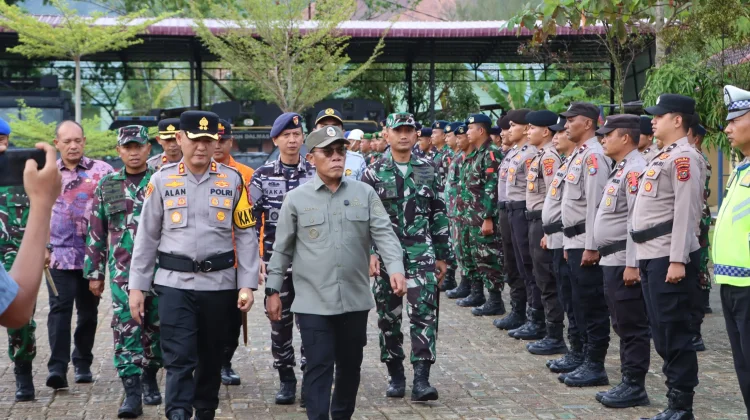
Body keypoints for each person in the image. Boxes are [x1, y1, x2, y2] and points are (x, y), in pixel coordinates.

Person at [265, 125, 407, 420]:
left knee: (350, 366)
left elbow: (384, 234)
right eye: (328, 152)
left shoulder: (364, 193)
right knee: (318, 366)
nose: (336, 157)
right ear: (311, 158)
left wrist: (395, 268)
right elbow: (282, 249)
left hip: (354, 299)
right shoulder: (297, 199)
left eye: (340, 151)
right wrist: (272, 290)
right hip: (313, 301)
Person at [128, 111, 260, 420]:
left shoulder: (232, 180)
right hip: (174, 284)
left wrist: (247, 284)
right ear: (179, 139)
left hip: (219, 284)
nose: (201, 147)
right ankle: (177, 412)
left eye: (208, 140)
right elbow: (146, 236)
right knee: (178, 356)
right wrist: (137, 287)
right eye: (195, 139)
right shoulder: (161, 180)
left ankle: (204, 411)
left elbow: (246, 234)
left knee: (211, 355)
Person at [362, 113, 451, 402]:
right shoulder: (373, 172)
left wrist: (443, 255)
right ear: (386, 134)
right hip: (386, 254)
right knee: (388, 316)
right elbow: (364, 219)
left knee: (424, 313)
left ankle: (422, 379)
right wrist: (370, 253)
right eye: (397, 130)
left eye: (408, 130)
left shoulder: (429, 169)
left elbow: (438, 212)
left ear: (415, 135)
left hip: (421, 251)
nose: (403, 135)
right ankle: (396, 374)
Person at [632, 94, 702, 420]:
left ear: (677, 120)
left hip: (667, 257)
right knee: (661, 331)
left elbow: (687, 213)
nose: (653, 120)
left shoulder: (684, 158)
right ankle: (673, 401)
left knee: (674, 332)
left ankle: (681, 405)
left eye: (659, 116)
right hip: (651, 254)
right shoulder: (662, 155)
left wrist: (677, 259)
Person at [84, 125, 162, 418]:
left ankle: (150, 375)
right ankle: (132, 393)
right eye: (127, 147)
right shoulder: (107, 185)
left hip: (160, 270)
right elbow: (96, 230)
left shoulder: (161, 181)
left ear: (148, 148)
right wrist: (95, 273)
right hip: (122, 274)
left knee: (157, 327)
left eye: (138, 146)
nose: (133, 152)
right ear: (119, 151)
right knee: (126, 327)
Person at [251, 112, 315, 405]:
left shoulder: (314, 172)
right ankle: (286, 379)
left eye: (296, 135)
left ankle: (311, 378)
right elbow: (251, 222)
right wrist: (255, 258)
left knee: (312, 324)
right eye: (286, 135)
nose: (292, 140)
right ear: (275, 140)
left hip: (312, 264)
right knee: (279, 323)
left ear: (303, 138)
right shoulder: (262, 176)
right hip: (277, 263)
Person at [46, 120, 115, 389]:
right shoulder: (47, 172)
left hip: (92, 256)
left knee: (88, 313)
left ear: (84, 141)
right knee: (59, 311)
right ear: (57, 144)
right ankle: (57, 368)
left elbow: (115, 212)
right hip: (58, 256)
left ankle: (83, 361)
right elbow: (38, 212)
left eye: (77, 140)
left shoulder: (103, 171)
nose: (73, 146)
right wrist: (41, 247)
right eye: (67, 142)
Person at [591, 115, 650, 409]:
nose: (603, 139)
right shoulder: (621, 168)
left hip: (622, 259)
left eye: (608, 134)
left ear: (625, 138)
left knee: (631, 325)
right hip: (611, 259)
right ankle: (628, 381)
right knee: (622, 323)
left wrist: (632, 263)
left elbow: (634, 220)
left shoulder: (635, 169)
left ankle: (635, 386)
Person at [0, 127, 60, 402]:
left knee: (21, 321)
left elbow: (39, 215)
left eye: (2, 140)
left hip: (19, 254)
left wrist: (45, 247)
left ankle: (22, 371)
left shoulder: (24, 174)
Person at [558, 102, 613, 388]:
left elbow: (596, 205)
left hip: (586, 242)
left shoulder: (594, 156)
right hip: (574, 240)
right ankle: (581, 356)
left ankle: (595, 364)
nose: (566, 125)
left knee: (592, 306)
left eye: (571, 120)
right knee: (578, 303)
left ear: (588, 123)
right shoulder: (579, 154)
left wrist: (592, 245)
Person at [715, 84, 750, 416]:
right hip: (732, 283)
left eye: (735, 120)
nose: (727, 128)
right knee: (744, 367)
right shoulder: (742, 170)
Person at [213, 119, 256, 386]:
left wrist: (255, 261)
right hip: (209, 259)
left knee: (233, 318)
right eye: (213, 140)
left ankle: (224, 362)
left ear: (231, 142)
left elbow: (254, 222)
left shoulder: (245, 174)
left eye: (223, 140)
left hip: (237, 259)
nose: (218, 145)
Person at [542, 119, 585, 373]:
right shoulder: (568, 162)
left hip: (574, 239)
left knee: (577, 300)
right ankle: (575, 350)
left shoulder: (587, 159)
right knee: (567, 296)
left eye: (562, 131)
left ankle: (581, 354)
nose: (557, 136)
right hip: (561, 238)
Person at [524, 110, 567, 355]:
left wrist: (548, 231)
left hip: (543, 222)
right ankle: (542, 325)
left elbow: (554, 195)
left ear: (545, 131)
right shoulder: (541, 155)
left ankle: (554, 334)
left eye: (532, 128)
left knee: (547, 279)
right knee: (538, 276)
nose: (528, 131)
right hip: (534, 220)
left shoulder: (550, 158)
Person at [502, 109, 547, 339]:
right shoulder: (517, 152)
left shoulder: (531, 154)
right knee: (518, 265)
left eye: (514, 126)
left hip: (525, 210)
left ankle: (535, 318)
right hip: (513, 209)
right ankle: (523, 312)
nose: (509, 130)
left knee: (530, 267)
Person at [457, 114, 505, 317]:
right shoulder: (475, 154)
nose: (467, 132)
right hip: (470, 216)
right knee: (474, 256)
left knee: (489, 257)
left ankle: (495, 301)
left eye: (470, 128)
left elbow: (492, 187)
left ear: (481, 130)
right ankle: (477, 293)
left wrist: (488, 217)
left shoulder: (491, 153)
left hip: (483, 218)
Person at [687, 118, 711, 352]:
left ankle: (695, 331)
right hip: (697, 220)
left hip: (698, 222)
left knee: (698, 272)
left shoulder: (697, 158)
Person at [445, 123, 472, 300]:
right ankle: (465, 283)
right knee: (459, 248)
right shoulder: (457, 156)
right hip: (454, 209)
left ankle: (468, 284)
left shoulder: (464, 157)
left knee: (465, 248)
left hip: (464, 211)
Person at [315, 108, 367, 181]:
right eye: (324, 127)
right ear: (314, 131)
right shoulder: (308, 161)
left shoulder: (357, 160)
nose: (329, 130)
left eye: (335, 127)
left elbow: (363, 187)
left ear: (343, 132)